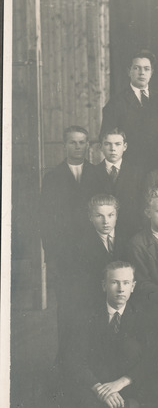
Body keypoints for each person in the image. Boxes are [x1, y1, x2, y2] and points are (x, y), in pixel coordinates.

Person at [63, 261, 157, 408]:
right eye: (114, 282)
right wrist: (100, 389)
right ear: (104, 285)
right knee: (81, 405)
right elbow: (75, 358)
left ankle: (126, 406)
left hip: (128, 380)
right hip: (98, 381)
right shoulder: (86, 314)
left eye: (126, 283)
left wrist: (120, 383)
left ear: (133, 286)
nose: (120, 289)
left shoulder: (143, 315)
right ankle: (128, 407)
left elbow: (151, 357)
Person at [40, 125, 96, 362]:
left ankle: (90, 360)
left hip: (93, 256)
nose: (77, 147)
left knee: (92, 309)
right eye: (72, 142)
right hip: (65, 257)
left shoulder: (97, 174)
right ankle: (65, 360)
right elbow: (45, 222)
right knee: (67, 309)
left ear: (88, 145)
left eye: (82, 142)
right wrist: (51, 258)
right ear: (64, 145)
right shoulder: (52, 177)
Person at [100, 50, 158, 167]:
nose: (142, 73)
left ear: (152, 72)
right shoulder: (116, 102)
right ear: (129, 71)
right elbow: (106, 137)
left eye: (146, 69)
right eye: (137, 68)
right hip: (129, 166)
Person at [90, 127, 144, 243]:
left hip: (131, 232)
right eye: (108, 144)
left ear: (125, 146)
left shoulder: (137, 173)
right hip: (101, 234)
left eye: (117, 144)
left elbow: (142, 205)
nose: (113, 149)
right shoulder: (92, 173)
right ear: (101, 147)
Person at [73, 194, 122, 311]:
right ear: (90, 217)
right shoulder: (81, 245)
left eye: (110, 215)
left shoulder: (129, 239)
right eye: (99, 216)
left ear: (116, 216)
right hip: (96, 300)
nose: (106, 221)